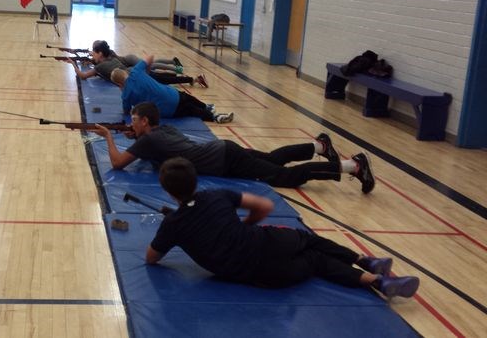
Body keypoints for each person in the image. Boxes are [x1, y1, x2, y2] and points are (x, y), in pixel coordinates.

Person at [146, 157, 419, 298]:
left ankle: (377, 282)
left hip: (267, 277)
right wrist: (243, 224)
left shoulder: (173, 225)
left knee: (315, 262)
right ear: (195, 180)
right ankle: (366, 261)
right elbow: (264, 207)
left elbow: (152, 258)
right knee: (307, 240)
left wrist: (176, 232)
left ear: (168, 191)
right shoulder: (216, 195)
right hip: (266, 242)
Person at [92, 102, 375, 192]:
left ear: (143, 121)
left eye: (134, 120)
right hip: (223, 150)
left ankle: (354, 166)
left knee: (284, 177)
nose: (131, 123)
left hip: (225, 161)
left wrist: (108, 136)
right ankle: (318, 145)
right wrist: (135, 138)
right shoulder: (161, 130)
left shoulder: (150, 140)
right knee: (272, 159)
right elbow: (152, 146)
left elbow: (118, 163)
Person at [109, 57, 233, 124]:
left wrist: (123, 91)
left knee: (192, 110)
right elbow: (150, 58)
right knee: (188, 98)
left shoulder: (125, 96)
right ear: (125, 72)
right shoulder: (136, 71)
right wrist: (146, 73)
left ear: (118, 84)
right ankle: (206, 107)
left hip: (167, 110)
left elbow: (126, 112)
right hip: (172, 94)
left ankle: (214, 117)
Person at [68, 40, 209, 88]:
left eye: (94, 52)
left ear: (100, 53)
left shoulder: (99, 66)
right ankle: (191, 79)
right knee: (163, 78)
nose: (92, 53)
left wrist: (72, 64)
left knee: (164, 80)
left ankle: (194, 79)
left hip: (135, 76)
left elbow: (83, 76)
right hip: (134, 72)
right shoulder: (109, 57)